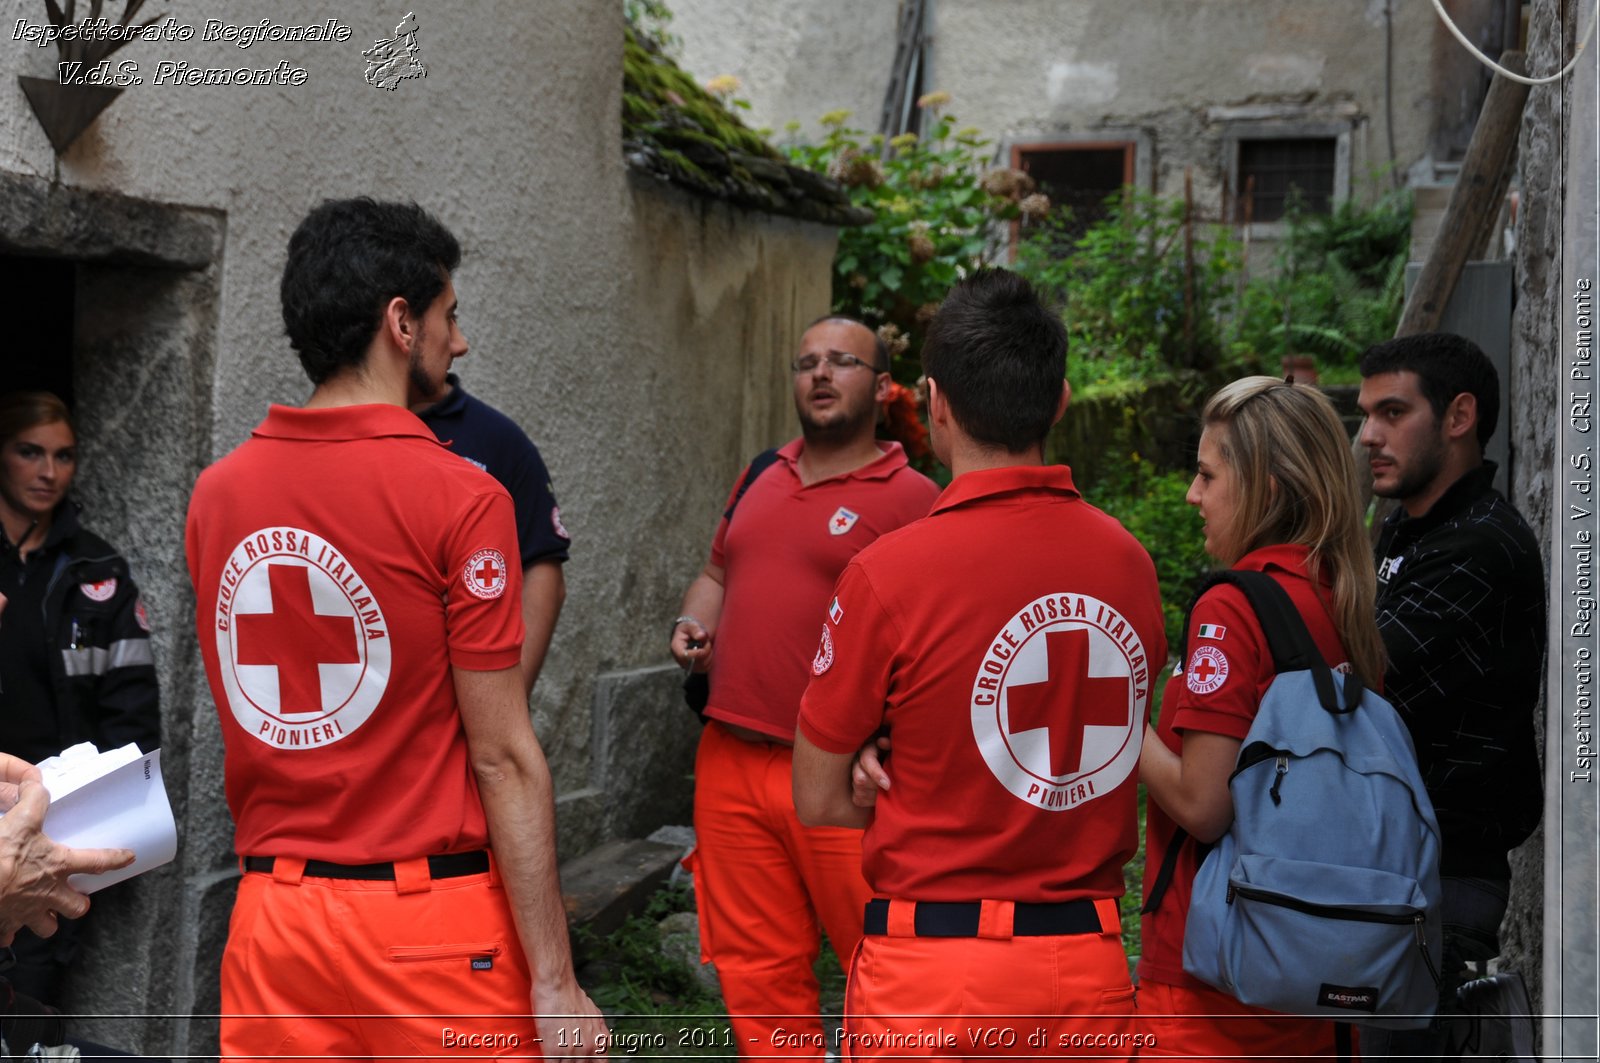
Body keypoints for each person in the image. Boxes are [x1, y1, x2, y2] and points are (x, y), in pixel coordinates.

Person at [184, 197, 604, 1059]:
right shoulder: (459, 493)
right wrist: (556, 979)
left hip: (272, 925)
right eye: (451, 316)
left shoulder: (216, 494)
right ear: (400, 322)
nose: (462, 342)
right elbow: (501, 753)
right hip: (429, 932)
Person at [793, 269, 1164, 1056]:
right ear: (1060, 401)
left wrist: (903, 770)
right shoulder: (1130, 565)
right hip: (1086, 973)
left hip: (933, 975)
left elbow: (819, 796)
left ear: (935, 402)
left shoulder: (887, 573)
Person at [667, 315, 938, 1057]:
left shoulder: (913, 498)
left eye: (842, 362)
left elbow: (934, 640)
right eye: (807, 362)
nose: (819, 374)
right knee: (757, 970)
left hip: (838, 775)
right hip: (728, 756)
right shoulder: (762, 472)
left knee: (875, 961)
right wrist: (695, 622)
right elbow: (718, 571)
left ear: (882, 388)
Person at [1135, 375, 1384, 1061]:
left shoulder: (1235, 605)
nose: (1193, 494)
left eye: (1207, 475)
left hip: (1214, 982)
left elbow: (1204, 802)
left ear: (1265, 489)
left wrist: (1123, 716)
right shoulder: (1343, 595)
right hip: (1315, 971)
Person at [1355, 332, 1544, 1061]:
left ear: (1459, 415)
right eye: (1368, 413)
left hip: (1441, 880)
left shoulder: (1482, 543)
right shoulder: (1410, 525)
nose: (1370, 433)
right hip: (1396, 867)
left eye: (1393, 411)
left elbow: (1360, 674)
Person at [0, 391, 160, 1005]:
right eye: (30, 452)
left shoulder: (97, 568)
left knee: (28, 1013)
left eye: (63, 456)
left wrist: (87, 815)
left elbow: (135, 716)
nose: (48, 472)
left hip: (51, 826)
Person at [413, 375, 570, 695]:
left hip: (466, 699)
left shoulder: (498, 439)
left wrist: (502, 709)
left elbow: (543, 572)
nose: (460, 345)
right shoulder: (351, 438)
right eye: (448, 322)